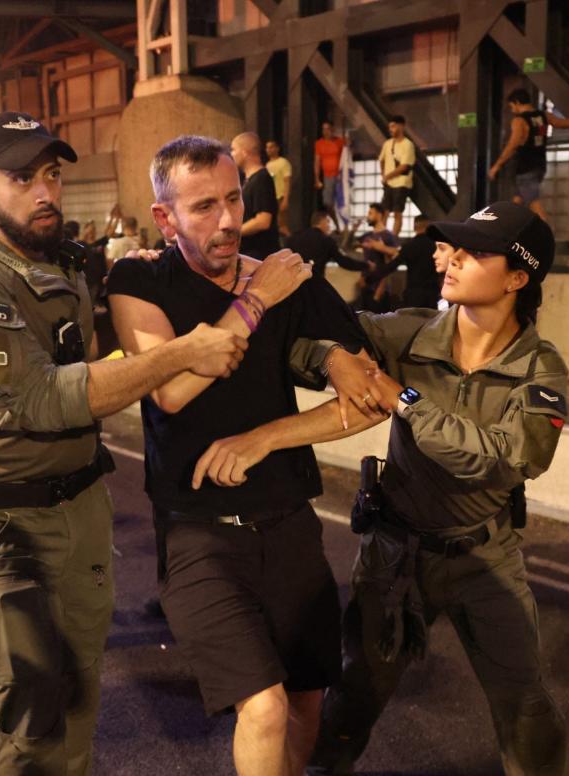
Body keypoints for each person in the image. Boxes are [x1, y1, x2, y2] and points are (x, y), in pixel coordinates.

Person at [0, 112, 246, 775]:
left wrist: (146, 268)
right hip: (5, 524)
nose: (44, 193)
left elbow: (89, 348)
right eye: (20, 178)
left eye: (52, 176)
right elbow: (38, 398)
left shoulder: (64, 263)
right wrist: (183, 351)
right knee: (28, 724)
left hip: (79, 509)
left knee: (78, 700)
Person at [237, 201, 569, 775]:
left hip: (483, 559)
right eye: (455, 247)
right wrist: (334, 357)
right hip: (395, 557)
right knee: (355, 698)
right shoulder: (410, 331)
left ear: (519, 277)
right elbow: (323, 339)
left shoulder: (540, 368)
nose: (455, 257)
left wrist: (405, 401)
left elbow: (504, 459)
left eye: (476, 252)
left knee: (526, 711)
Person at [107, 134, 368, 776]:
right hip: (198, 534)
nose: (228, 221)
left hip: (290, 524)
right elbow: (170, 388)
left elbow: (371, 390)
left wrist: (271, 432)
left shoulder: (282, 276)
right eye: (203, 207)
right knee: (265, 706)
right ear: (164, 218)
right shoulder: (138, 279)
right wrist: (256, 300)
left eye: (233, 198)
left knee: (308, 700)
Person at [489, 89, 569, 222]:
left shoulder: (519, 121)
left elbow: (512, 145)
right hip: (540, 166)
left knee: (535, 205)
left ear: (517, 102)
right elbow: (567, 124)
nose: (511, 109)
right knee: (517, 203)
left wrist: (496, 166)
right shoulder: (544, 116)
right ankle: (506, 230)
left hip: (525, 168)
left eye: (511, 106)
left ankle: (546, 237)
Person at [232, 131, 280, 259]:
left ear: (245, 152)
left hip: (259, 254)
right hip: (249, 252)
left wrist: (233, 233)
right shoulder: (246, 179)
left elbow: (263, 221)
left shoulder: (262, 178)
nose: (232, 154)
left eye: (234, 150)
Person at [285, 209, 366, 281]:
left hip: (293, 283)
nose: (329, 226)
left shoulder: (294, 237)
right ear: (322, 221)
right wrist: (366, 266)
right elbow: (343, 261)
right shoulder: (326, 240)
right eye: (328, 222)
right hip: (314, 282)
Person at [357, 203, 401, 311]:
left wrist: (381, 288)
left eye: (370, 213)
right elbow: (347, 247)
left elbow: (391, 262)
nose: (368, 216)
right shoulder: (367, 236)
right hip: (365, 285)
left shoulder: (388, 236)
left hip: (380, 289)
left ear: (379, 215)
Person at [378, 115, 416, 235]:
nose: (391, 129)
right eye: (390, 127)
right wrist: (383, 174)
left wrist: (387, 176)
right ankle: (382, 236)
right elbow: (381, 159)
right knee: (384, 211)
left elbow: (404, 166)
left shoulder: (408, 144)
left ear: (401, 126)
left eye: (393, 126)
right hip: (389, 183)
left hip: (402, 183)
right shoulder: (387, 143)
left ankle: (394, 239)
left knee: (397, 213)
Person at [314, 121, 347, 231]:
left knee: (342, 202)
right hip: (328, 176)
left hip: (340, 176)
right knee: (328, 202)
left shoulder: (339, 141)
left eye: (328, 129)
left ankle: (344, 227)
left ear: (332, 129)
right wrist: (317, 178)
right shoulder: (319, 143)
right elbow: (317, 161)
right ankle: (337, 224)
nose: (326, 131)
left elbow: (346, 156)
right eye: (324, 129)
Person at [265, 140, 293, 237]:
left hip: (280, 196)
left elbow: (287, 181)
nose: (269, 150)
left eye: (271, 147)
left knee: (283, 225)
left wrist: (285, 199)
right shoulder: (267, 165)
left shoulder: (283, 162)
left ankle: (291, 242)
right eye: (267, 147)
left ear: (277, 148)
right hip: (271, 198)